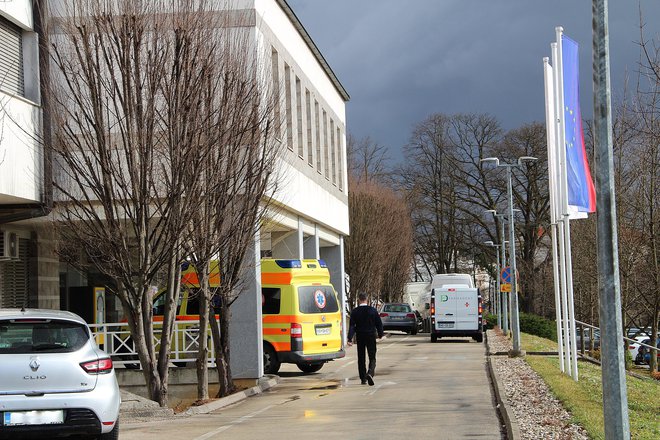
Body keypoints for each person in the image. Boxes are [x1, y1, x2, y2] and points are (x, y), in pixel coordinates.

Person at [347, 292, 384, 386]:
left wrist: (350, 338)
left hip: (360, 336)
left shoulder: (355, 311)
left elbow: (352, 326)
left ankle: (363, 378)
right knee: (372, 357)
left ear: (359, 300)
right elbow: (378, 323)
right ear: (367, 300)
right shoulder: (372, 310)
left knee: (361, 357)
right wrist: (380, 334)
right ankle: (370, 373)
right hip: (371, 335)